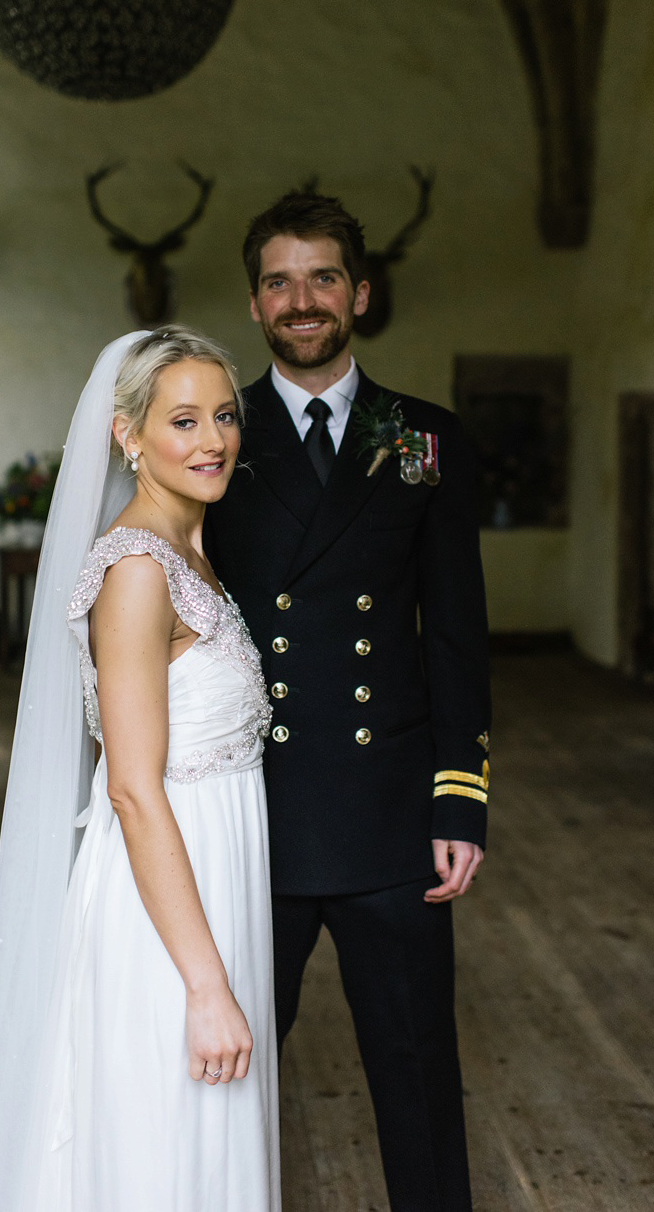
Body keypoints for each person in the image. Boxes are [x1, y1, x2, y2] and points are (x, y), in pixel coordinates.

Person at [0, 327, 280, 1212]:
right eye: (183, 420)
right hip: (162, 913)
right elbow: (131, 787)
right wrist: (206, 986)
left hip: (213, 879)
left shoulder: (188, 551)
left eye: (226, 416)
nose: (213, 440)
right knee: (159, 1152)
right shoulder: (136, 569)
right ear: (128, 435)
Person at [204, 192, 491, 1212]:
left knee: (417, 1077)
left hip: (389, 814)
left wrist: (459, 800)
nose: (303, 299)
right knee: (221, 1079)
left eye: (323, 276)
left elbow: (455, 633)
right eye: (280, 280)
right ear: (254, 303)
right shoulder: (215, 437)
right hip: (255, 812)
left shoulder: (422, 437)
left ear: (360, 293)